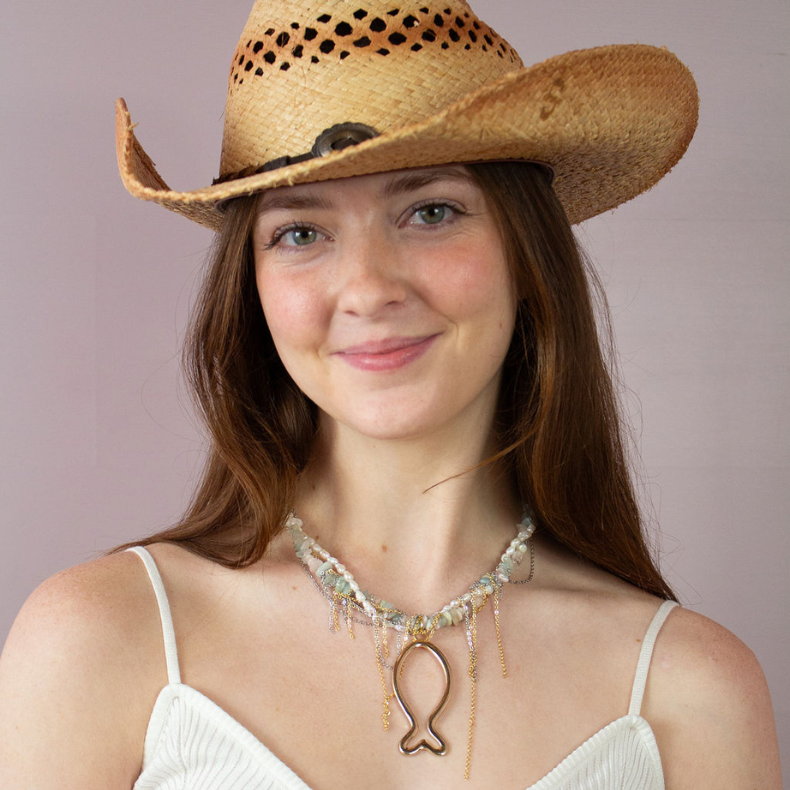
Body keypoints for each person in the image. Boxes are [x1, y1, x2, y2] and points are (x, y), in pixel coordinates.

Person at [0, 0, 781, 787]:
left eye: (430, 212)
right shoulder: (101, 640)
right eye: (301, 232)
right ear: (253, 287)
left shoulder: (692, 688)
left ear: (527, 252)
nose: (369, 289)